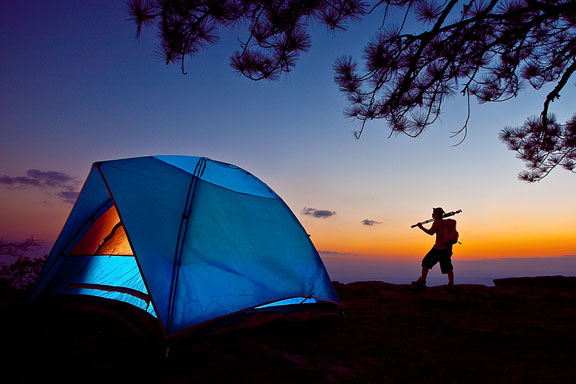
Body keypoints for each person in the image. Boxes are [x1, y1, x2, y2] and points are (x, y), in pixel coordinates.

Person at [412, 207, 454, 287]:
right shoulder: (444, 222)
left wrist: (421, 227)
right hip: (446, 248)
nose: (432, 214)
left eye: (434, 212)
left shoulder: (437, 222)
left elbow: (431, 232)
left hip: (438, 248)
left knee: (425, 262)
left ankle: (422, 281)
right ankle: (451, 283)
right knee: (448, 266)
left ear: (437, 214)